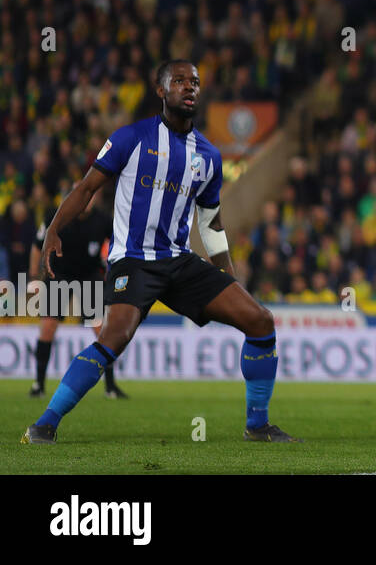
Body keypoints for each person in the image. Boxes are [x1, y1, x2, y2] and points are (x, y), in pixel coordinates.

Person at [23, 60, 298, 444]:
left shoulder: (209, 156)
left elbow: (211, 223)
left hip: (179, 261)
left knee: (260, 322)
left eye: (195, 82)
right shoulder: (129, 138)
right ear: (161, 90)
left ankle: (257, 426)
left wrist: (227, 276)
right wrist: (54, 229)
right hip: (132, 261)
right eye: (180, 81)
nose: (190, 87)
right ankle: (45, 422)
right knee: (113, 338)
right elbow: (86, 189)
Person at [29, 195, 126, 400]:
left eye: (89, 198)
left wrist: (111, 265)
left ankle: (110, 386)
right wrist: (34, 278)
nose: (86, 201)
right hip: (59, 275)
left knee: (102, 331)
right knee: (48, 326)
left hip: (89, 276)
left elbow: (118, 243)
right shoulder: (58, 216)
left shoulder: (102, 220)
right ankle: (38, 384)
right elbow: (38, 246)